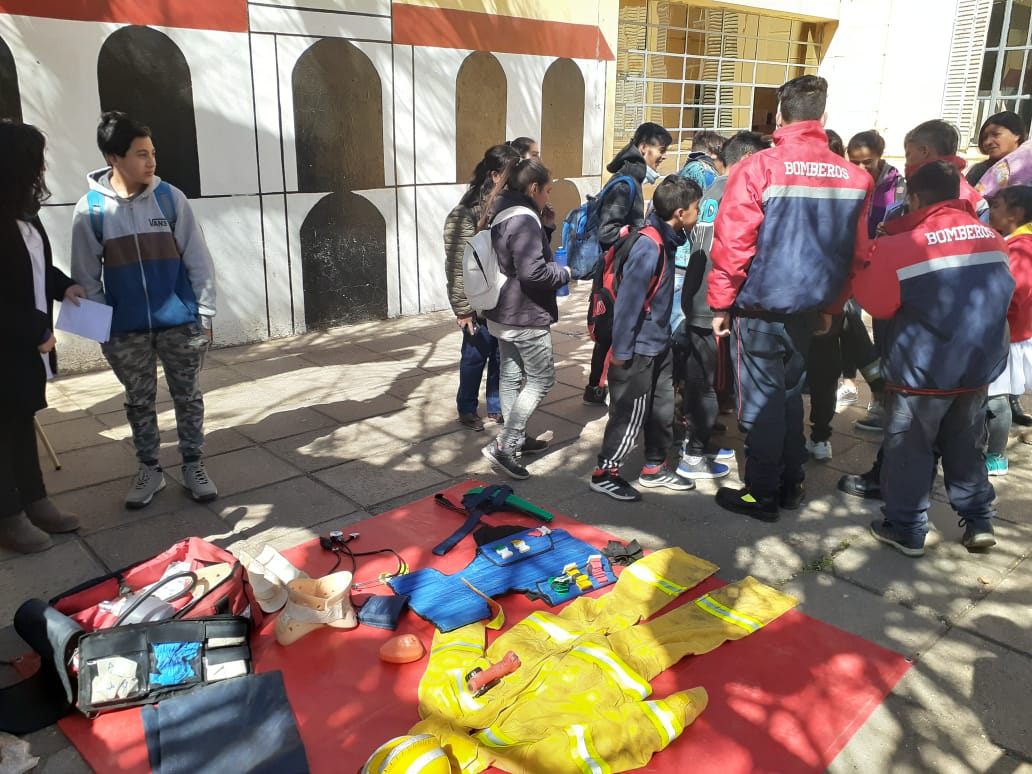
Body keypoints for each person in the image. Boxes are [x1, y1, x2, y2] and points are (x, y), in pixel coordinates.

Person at [707, 75, 872, 521]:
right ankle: (791, 485)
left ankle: (761, 493)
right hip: (809, 309)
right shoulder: (855, 177)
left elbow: (733, 244)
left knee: (764, 403)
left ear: (779, 116)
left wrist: (720, 303)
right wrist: (833, 307)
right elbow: (856, 254)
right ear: (823, 116)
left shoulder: (757, 168)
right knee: (789, 396)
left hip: (759, 309)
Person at [852, 160, 1013, 556]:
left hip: (923, 371)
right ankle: (979, 520)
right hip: (978, 366)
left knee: (910, 451)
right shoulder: (992, 237)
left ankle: (906, 528)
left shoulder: (902, 245)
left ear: (915, 198)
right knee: (966, 444)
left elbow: (877, 304)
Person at [838, 117, 991, 501]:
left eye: (908, 154)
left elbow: (885, 289)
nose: (904, 163)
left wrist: (880, 254)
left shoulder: (928, 197)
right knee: (957, 430)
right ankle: (972, 512)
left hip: (920, 334)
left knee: (909, 426)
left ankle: (899, 500)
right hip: (972, 339)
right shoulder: (974, 198)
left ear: (923, 152)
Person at [71, 112, 218, 508]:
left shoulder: (170, 199)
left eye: (152, 153)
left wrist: (204, 313)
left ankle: (193, 464)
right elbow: (85, 276)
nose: (151, 161)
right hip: (125, 330)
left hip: (180, 324)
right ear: (113, 158)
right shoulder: (91, 210)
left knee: (188, 396)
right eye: (140, 154)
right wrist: (104, 329)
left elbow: (198, 259)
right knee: (138, 401)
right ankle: (149, 470)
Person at [0, 121, 86, 553]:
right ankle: (7, 516)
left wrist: (64, 286)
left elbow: (36, 270)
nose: (43, 168)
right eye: (37, 160)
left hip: (25, 348)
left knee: (21, 421)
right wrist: (35, 329)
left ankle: (34, 501)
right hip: (10, 345)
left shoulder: (25, 212)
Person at [589, 176, 701, 501]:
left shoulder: (666, 239)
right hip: (638, 349)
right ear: (680, 213)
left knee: (661, 409)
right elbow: (628, 304)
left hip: (659, 343)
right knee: (630, 412)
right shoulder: (649, 246)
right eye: (696, 209)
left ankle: (654, 466)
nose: (699, 214)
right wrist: (622, 353)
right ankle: (605, 472)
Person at [674, 131, 768, 479]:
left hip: (698, 294)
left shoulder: (712, 189)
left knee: (701, 376)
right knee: (707, 382)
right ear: (748, 160)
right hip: (714, 301)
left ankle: (699, 442)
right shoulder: (739, 192)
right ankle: (694, 454)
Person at [479, 158, 570, 479]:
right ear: (533, 188)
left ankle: (515, 439)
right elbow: (533, 272)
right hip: (524, 313)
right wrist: (565, 272)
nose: (548, 196)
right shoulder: (523, 219)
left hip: (504, 310)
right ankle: (505, 445)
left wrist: (546, 227)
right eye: (547, 190)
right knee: (542, 379)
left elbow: (517, 258)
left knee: (511, 375)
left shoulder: (503, 210)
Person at [583, 122, 672, 407]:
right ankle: (604, 390)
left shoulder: (630, 177)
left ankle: (596, 388)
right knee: (612, 329)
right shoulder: (626, 182)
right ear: (644, 148)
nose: (664, 156)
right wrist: (640, 234)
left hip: (618, 266)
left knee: (610, 330)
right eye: (661, 149)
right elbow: (607, 232)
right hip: (615, 270)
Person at [445, 144, 519, 431]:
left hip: (503, 299)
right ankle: (466, 408)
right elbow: (457, 265)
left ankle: (496, 404)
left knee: (500, 355)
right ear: (495, 175)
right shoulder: (464, 214)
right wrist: (463, 310)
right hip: (477, 304)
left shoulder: (509, 207)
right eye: (512, 174)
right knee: (474, 356)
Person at [984, 185, 1032, 476]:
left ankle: (996, 455)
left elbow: (1013, 293)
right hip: (1008, 333)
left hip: (1007, 336)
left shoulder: (1019, 248)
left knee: (996, 398)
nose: (990, 212)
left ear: (1016, 213)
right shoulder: (1016, 243)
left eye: (996, 206)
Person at [966, 111, 1028, 191]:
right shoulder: (980, 171)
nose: (988, 142)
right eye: (984, 137)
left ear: (1017, 135)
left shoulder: (1027, 168)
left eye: (996, 134)